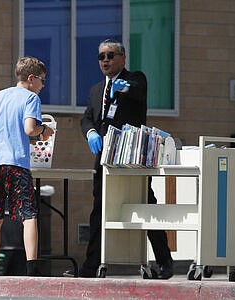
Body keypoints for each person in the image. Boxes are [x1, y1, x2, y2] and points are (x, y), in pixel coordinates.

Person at [74, 39, 174, 279]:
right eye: (101, 57)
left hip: (132, 156)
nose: (105, 60)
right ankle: (90, 266)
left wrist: (124, 88)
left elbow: (137, 91)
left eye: (110, 55)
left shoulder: (135, 78)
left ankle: (164, 262)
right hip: (105, 158)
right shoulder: (96, 90)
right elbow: (87, 118)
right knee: (99, 209)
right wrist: (90, 133)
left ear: (122, 58)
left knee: (146, 204)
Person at [0, 56, 55, 276]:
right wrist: (45, 130)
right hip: (16, 163)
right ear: (31, 78)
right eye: (41, 80)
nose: (43, 85)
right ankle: (32, 269)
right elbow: (30, 129)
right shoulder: (31, 98)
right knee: (28, 215)